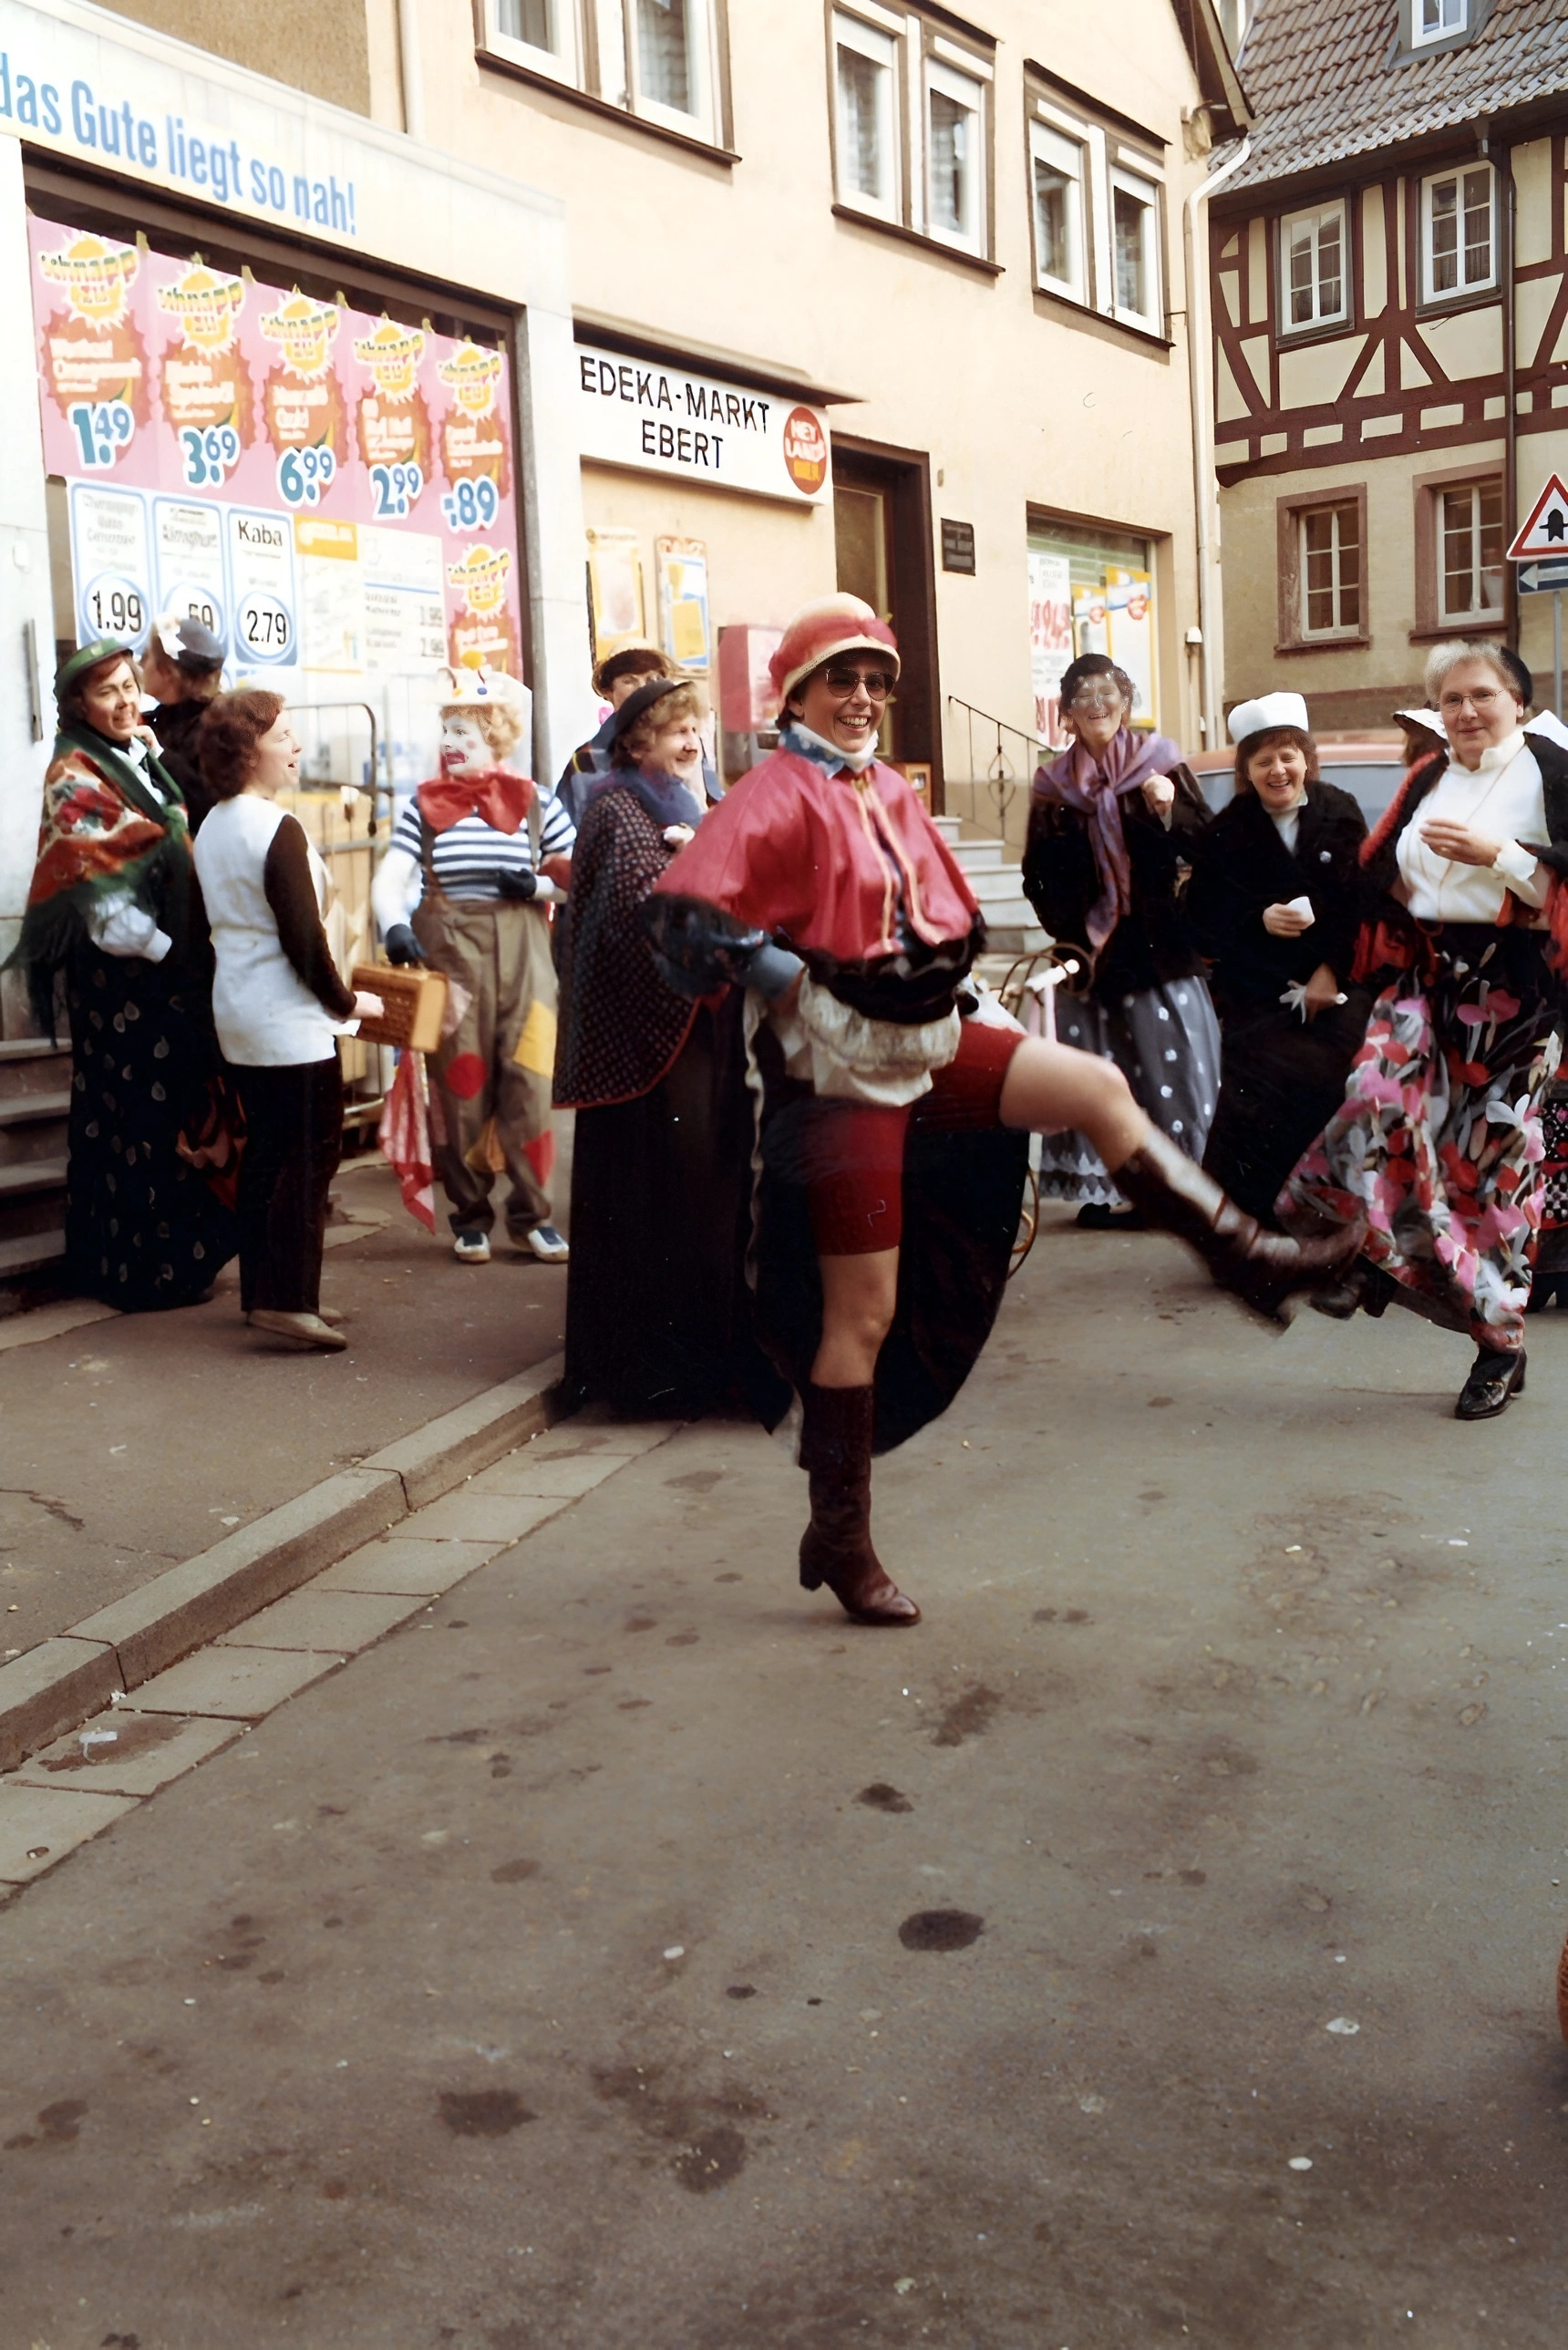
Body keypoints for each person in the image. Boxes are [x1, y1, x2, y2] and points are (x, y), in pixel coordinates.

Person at [645, 596, 1356, 1629]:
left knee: (1093, 1086)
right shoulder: (773, 791)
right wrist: (789, 979)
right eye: (838, 681)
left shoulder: (885, 786)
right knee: (863, 1316)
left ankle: (1244, 1253)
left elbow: (937, 922)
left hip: (929, 1038)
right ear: (795, 692)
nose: (859, 700)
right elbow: (683, 918)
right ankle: (840, 1533)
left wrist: (975, 1001)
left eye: (874, 682)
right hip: (841, 1070)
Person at [1282, 641, 1568, 1419]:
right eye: (1451, 700)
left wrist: (1502, 854)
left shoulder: (1550, 769)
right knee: (1375, 1092)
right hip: (1429, 978)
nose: (1466, 712)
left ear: (1517, 700)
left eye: (1482, 696)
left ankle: (1499, 1347)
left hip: (1519, 997)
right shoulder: (1428, 775)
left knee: (1492, 1181)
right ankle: (1361, 1250)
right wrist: (1320, 942)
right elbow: (1378, 877)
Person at [5, 639, 236, 1309]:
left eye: (130, 685)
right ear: (78, 705)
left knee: (168, 1118)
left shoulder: (135, 756)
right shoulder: (72, 776)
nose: (126, 700)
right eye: (107, 692)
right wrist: (177, 953)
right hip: (124, 977)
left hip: (160, 971)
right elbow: (106, 908)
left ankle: (176, 1263)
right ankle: (134, 1271)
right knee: (135, 1122)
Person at [554, 676, 762, 1416]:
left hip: (692, 1031)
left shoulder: (681, 801)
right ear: (638, 741)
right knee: (667, 1204)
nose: (693, 740)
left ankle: (694, 1367)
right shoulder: (617, 805)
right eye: (678, 730)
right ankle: (654, 1377)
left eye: (698, 727)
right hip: (649, 1047)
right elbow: (635, 921)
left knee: (698, 1201)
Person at [193, 690, 382, 1350]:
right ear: (248, 753)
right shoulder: (275, 827)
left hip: (239, 1009)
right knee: (309, 1154)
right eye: (284, 736)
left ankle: (263, 1296)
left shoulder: (214, 824)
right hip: (287, 1016)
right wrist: (348, 1002)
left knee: (269, 1155)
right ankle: (289, 1300)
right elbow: (305, 938)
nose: (296, 747)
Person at [371, 665, 574, 1265]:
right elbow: (391, 878)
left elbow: (572, 873)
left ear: (497, 736)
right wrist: (395, 925)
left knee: (531, 1081)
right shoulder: (424, 806)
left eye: (464, 730)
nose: (450, 742)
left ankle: (533, 1215)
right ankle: (471, 1215)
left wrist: (536, 882)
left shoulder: (535, 802)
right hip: (450, 952)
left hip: (525, 953)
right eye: (447, 730)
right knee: (460, 1085)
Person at [1022, 654, 1220, 1226]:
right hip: (1090, 957)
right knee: (1101, 1073)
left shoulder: (1161, 764)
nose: (1098, 706)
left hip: (1159, 950)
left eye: (1110, 695)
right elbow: (1034, 873)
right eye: (1084, 698)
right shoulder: (1052, 786)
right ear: (1066, 715)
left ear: (1128, 705)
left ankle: (1179, 1189)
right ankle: (1118, 1192)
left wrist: (1169, 809)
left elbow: (1207, 846)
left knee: (1169, 1073)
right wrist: (1069, 932)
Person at [1186, 693, 1370, 1225]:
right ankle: (1241, 1226)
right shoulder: (1226, 831)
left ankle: (1335, 1220)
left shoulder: (1339, 810)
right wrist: (1256, 920)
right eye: (1263, 759)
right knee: (1257, 1093)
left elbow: (1360, 899)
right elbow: (1200, 918)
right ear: (1245, 768)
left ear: (1306, 758)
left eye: (1288, 755)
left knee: (1341, 1082)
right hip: (1257, 991)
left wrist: (1330, 971)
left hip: (1335, 983)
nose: (1278, 769)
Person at [139, 613, 226, 830]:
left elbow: (209, 808)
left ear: (166, 671)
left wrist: (158, 753)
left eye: (146, 655)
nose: (140, 663)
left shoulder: (217, 731)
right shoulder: (161, 721)